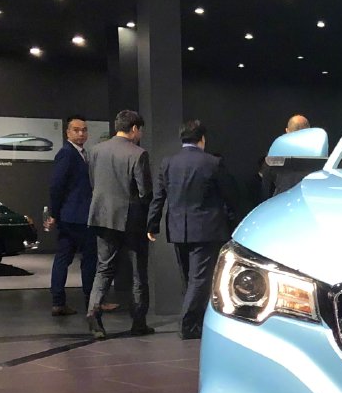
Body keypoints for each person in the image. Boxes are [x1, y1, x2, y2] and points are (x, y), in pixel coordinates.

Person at [147, 119, 234, 339]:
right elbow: (229, 195)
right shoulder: (213, 163)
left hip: (177, 229)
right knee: (199, 279)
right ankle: (187, 325)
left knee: (188, 278)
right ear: (202, 139)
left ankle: (195, 323)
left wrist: (152, 224)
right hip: (206, 230)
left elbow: (159, 197)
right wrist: (234, 221)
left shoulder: (168, 163)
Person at [85, 109, 153, 338]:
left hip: (102, 216)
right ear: (134, 128)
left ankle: (93, 312)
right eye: (140, 130)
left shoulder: (95, 151)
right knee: (138, 272)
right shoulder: (138, 154)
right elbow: (144, 192)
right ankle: (139, 322)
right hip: (131, 220)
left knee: (104, 268)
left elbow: (94, 182)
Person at [46, 115, 100, 316]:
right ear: (67, 132)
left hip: (71, 216)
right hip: (77, 217)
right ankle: (91, 302)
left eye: (84, 130)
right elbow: (56, 185)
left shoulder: (80, 154)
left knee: (64, 257)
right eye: (76, 130)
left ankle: (58, 302)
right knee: (88, 259)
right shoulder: (67, 153)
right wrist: (54, 213)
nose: (81, 133)